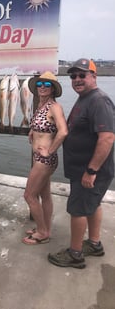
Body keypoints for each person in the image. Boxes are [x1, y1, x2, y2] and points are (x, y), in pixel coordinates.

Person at [48, 58, 115, 269]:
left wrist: (91, 170)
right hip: (84, 170)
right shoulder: (85, 97)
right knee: (92, 206)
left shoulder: (99, 101)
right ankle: (94, 244)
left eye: (82, 75)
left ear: (94, 76)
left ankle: (75, 254)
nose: (77, 79)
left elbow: (107, 138)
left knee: (77, 210)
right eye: (73, 76)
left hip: (90, 171)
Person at [22, 71, 68, 245]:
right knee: (45, 195)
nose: (42, 87)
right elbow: (45, 126)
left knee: (29, 196)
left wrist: (50, 151)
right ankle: (46, 228)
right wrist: (33, 130)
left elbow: (63, 131)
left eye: (47, 85)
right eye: (40, 84)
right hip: (38, 157)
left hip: (44, 160)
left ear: (53, 89)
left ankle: (42, 233)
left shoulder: (54, 107)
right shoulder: (41, 106)